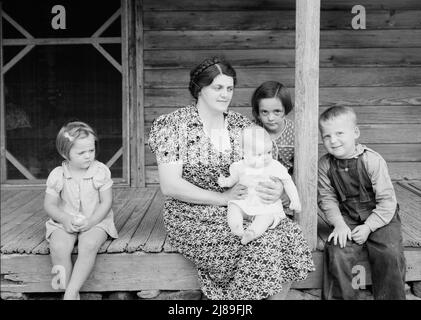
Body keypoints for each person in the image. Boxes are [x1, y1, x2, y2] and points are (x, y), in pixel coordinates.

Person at [148, 57, 314, 300]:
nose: (225, 94)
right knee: (261, 245)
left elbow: (264, 162)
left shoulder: (240, 125)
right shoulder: (174, 125)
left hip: (244, 205)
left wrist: (277, 187)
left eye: (229, 88)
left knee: (289, 234)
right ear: (199, 89)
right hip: (192, 213)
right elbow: (170, 185)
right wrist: (223, 198)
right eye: (217, 87)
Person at [318, 106, 406, 300]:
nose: (333, 140)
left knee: (389, 251)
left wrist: (368, 227)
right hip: (347, 216)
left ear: (355, 133)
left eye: (340, 133)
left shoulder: (372, 160)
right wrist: (339, 224)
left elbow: (387, 202)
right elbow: (327, 199)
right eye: (326, 136)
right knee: (337, 250)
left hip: (381, 216)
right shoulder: (325, 164)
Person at [44, 121, 118, 300]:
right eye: (81, 152)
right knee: (58, 247)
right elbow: (49, 205)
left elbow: (106, 202)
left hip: (96, 220)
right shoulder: (57, 175)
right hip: (64, 222)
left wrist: (91, 222)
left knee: (89, 244)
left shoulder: (100, 171)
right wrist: (64, 218)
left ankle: (69, 294)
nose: (88, 156)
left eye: (91, 151)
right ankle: (68, 291)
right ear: (65, 152)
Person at [218, 126, 301, 245]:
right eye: (258, 154)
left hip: (266, 204)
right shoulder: (240, 166)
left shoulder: (274, 166)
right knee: (234, 207)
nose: (266, 157)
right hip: (245, 201)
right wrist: (225, 182)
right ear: (244, 153)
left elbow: (288, 182)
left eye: (268, 152)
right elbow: (233, 179)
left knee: (266, 217)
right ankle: (236, 227)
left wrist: (295, 200)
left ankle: (252, 232)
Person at [251, 81, 295, 174]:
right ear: (258, 112)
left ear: (285, 109)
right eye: (265, 112)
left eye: (277, 111)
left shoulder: (295, 132)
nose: (270, 118)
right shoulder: (251, 130)